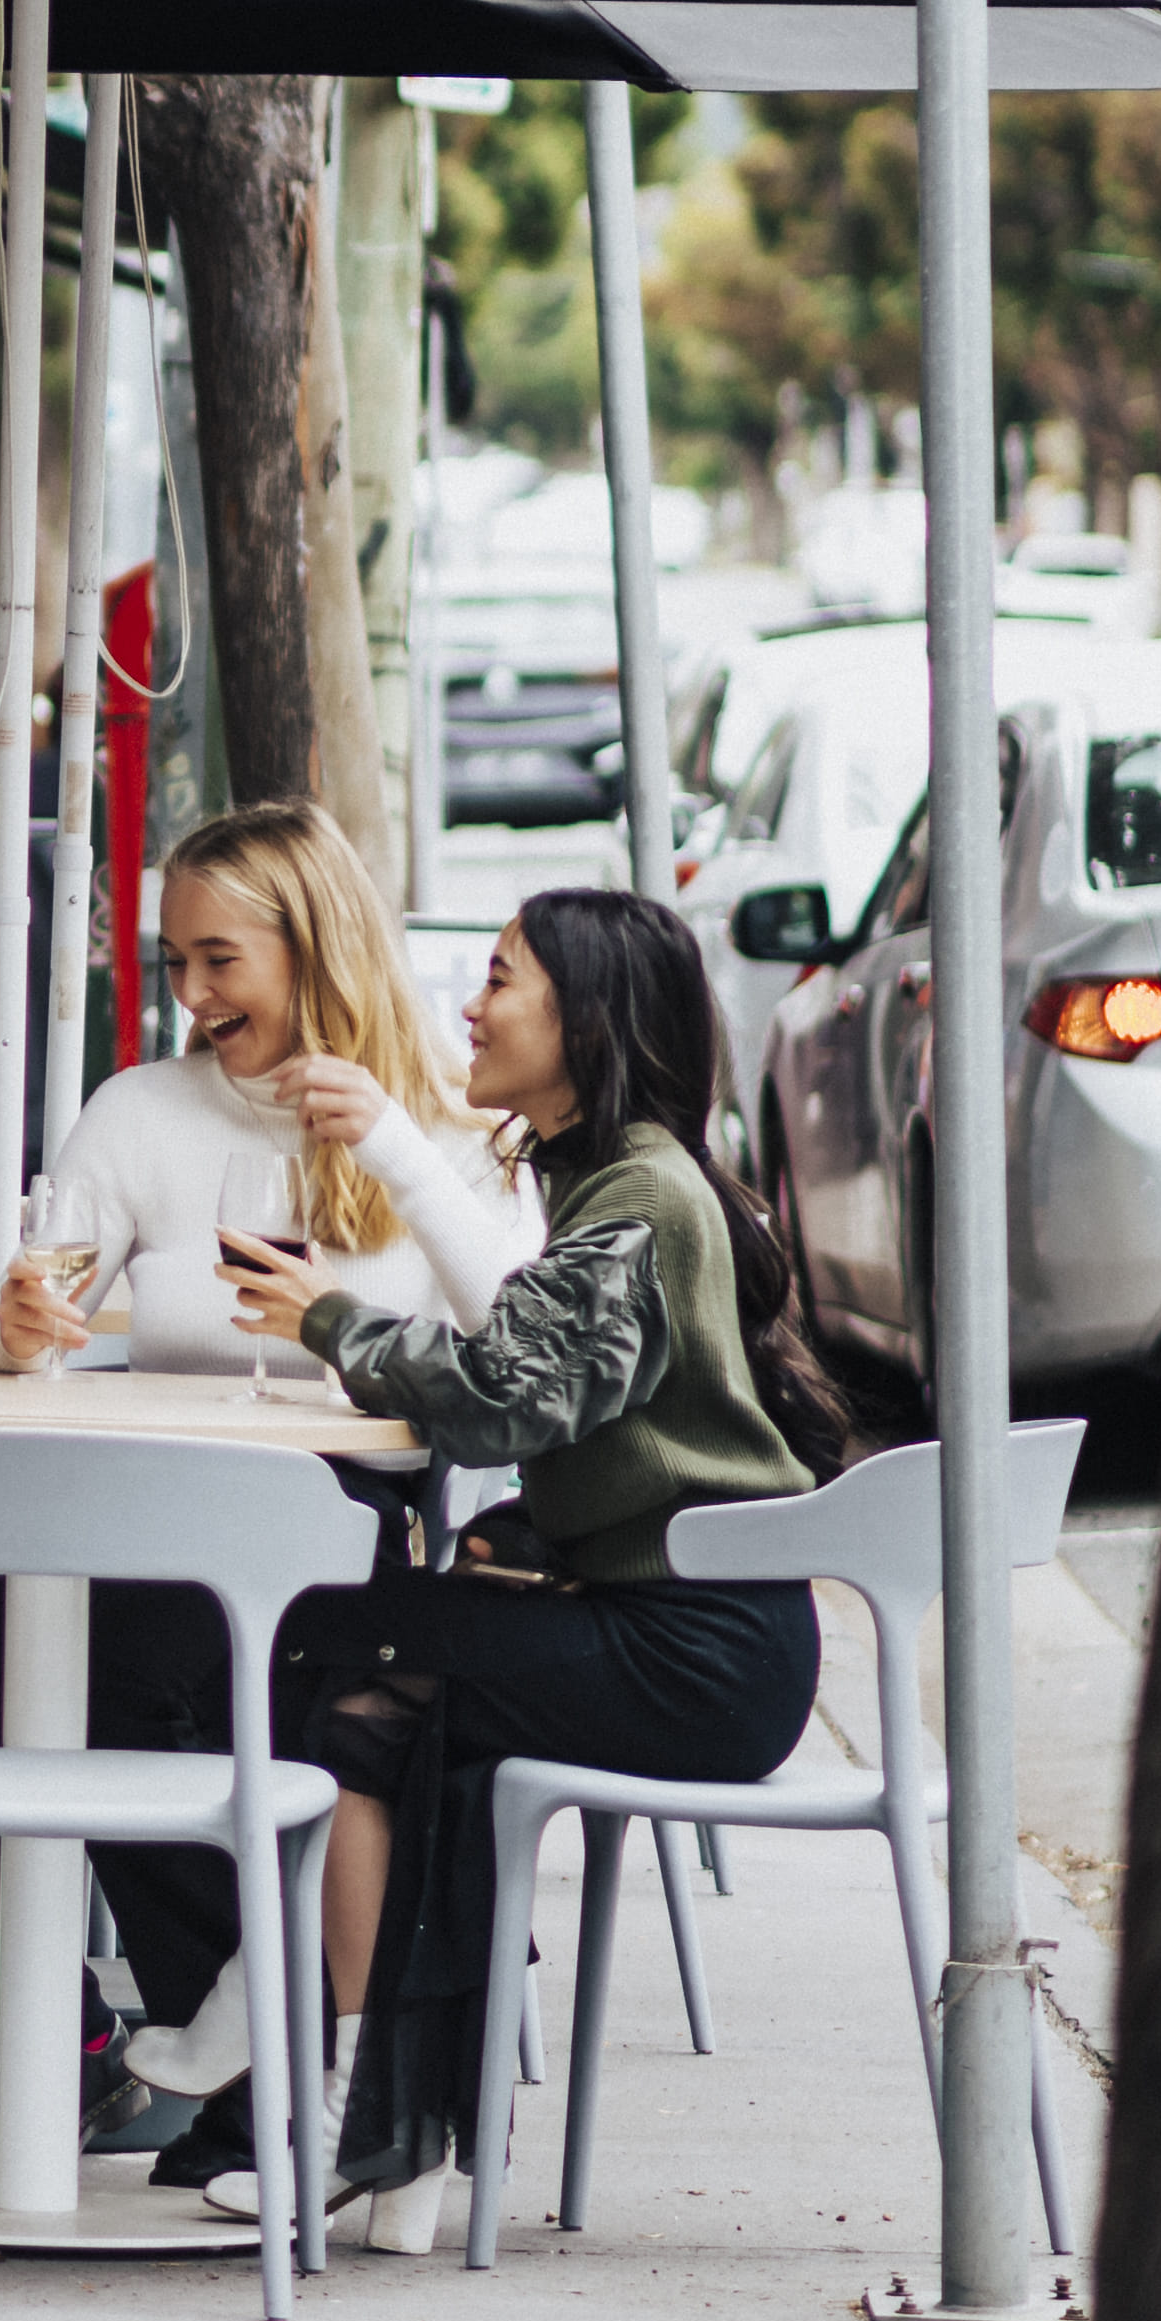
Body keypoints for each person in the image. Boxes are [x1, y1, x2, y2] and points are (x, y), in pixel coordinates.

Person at [0, 799, 539, 2180]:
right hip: (139, 1515)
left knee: (126, 1673)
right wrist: (10, 1328)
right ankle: (42, 2047)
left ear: (313, 944)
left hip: (335, 1533)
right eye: (174, 958)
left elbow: (517, 1346)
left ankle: (242, 2057)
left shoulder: (444, 1124)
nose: (189, 992)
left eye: (218, 958)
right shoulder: (140, 1109)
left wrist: (399, 1154)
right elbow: (8, 1330)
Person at [221, 881, 839, 2245]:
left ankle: (306, 2060)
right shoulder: (624, 1179)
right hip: (676, 1620)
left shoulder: (639, 1193)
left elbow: (505, 1393)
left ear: (585, 1014)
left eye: (500, 978)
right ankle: (388, 2118)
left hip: (695, 1651)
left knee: (324, 1635)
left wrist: (321, 1313)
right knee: (380, 1706)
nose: (472, 1003)